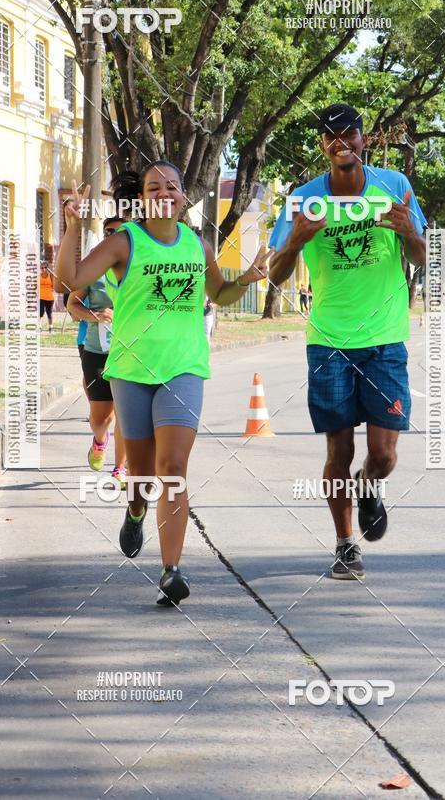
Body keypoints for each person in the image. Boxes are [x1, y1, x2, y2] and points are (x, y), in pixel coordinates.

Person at [56, 163, 269, 606]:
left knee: (172, 470)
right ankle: (135, 511)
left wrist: (246, 279)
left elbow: (221, 294)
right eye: (155, 186)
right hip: (133, 373)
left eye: (172, 185)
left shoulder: (197, 243)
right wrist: (73, 226)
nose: (165, 192)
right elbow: (69, 280)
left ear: (184, 196)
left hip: (184, 368)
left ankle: (171, 571)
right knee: (141, 477)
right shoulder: (124, 242)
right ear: (144, 198)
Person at [269, 102, 427, 581]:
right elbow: (275, 275)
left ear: (363, 140)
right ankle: (344, 545)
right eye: (332, 136)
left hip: (385, 340)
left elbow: (423, 256)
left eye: (350, 133)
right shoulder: (303, 199)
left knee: (383, 456)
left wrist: (410, 235)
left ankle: (368, 485)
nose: (342, 142)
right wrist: (295, 241)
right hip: (329, 342)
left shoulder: (394, 187)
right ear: (323, 146)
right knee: (337, 452)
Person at [67, 217, 128, 488]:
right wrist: (94, 315)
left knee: (126, 414)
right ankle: (99, 440)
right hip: (97, 349)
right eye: (108, 232)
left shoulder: (140, 267)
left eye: (119, 232)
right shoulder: (95, 268)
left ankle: (120, 468)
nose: (113, 236)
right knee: (101, 418)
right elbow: (72, 304)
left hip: (132, 351)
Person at [39, 261, 55, 333]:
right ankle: (39, 327)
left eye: (45, 267)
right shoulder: (39, 276)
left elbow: (54, 285)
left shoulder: (51, 276)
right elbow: (35, 286)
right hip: (41, 297)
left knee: (49, 312)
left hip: (50, 297)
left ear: (48, 268)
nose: (43, 269)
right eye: (42, 268)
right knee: (40, 312)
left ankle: (51, 327)